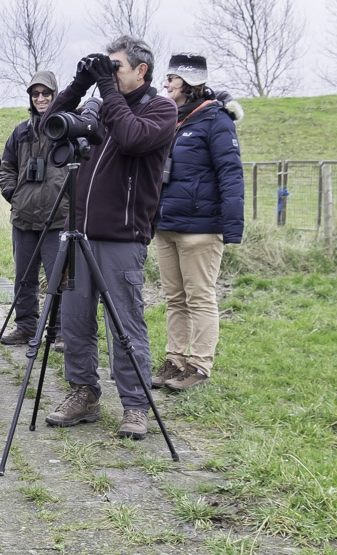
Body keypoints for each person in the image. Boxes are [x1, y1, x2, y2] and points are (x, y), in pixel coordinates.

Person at [40, 35, 176, 440]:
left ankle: (135, 405)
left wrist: (104, 90)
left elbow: (132, 136)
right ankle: (84, 393)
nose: (109, 75)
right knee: (75, 319)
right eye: (106, 68)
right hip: (78, 233)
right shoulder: (101, 102)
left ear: (141, 70)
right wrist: (81, 84)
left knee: (125, 324)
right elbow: (53, 129)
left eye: (114, 67)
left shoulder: (160, 109)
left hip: (122, 236)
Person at [153, 53, 244, 391]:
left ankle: (200, 366)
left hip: (201, 229)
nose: (166, 84)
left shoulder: (216, 121)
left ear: (190, 84)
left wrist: (231, 227)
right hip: (167, 227)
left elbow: (231, 174)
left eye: (172, 79)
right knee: (174, 298)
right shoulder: (171, 120)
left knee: (200, 298)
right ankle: (175, 360)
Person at [0, 71, 68, 351]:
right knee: (24, 277)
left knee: (59, 277)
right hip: (24, 217)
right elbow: (6, 168)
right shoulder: (21, 131)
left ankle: (61, 330)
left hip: (58, 218)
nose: (41, 98)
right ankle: (26, 326)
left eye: (46, 93)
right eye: (35, 94)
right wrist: (13, 195)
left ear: (55, 94)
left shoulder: (67, 128)